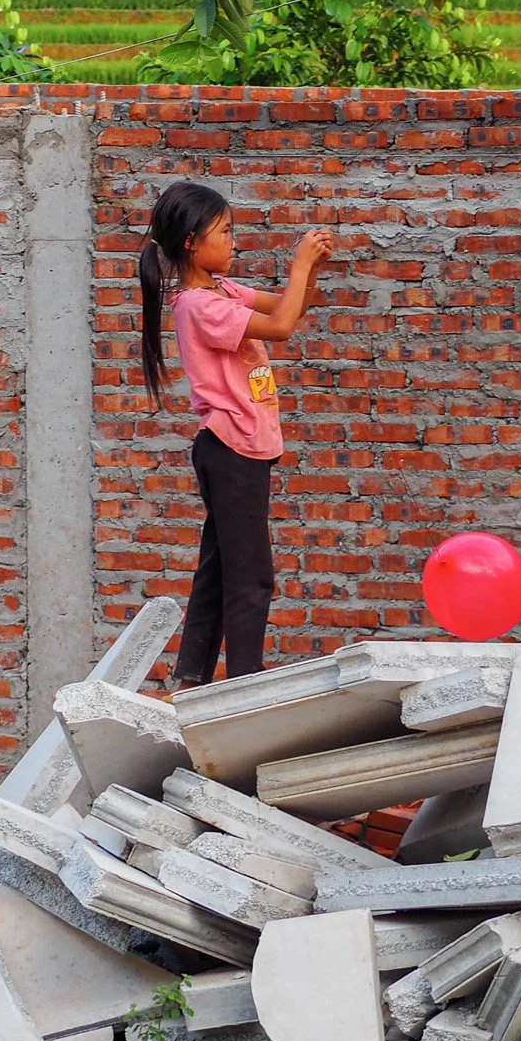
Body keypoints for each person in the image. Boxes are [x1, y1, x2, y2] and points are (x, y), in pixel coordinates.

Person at [138, 179, 333, 687]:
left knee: (218, 568)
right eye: (225, 232)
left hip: (235, 447)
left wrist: (312, 272)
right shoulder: (198, 306)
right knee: (251, 578)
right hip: (232, 447)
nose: (233, 241)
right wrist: (298, 265)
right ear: (191, 241)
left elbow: (290, 307)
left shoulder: (221, 290)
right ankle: (246, 687)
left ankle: (192, 679)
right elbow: (283, 328)